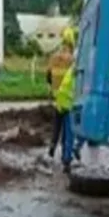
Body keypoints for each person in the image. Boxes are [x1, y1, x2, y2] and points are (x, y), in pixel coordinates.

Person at [46, 26, 75, 159]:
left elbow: (48, 75)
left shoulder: (54, 57)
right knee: (67, 128)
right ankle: (65, 152)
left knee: (56, 124)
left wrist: (51, 88)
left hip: (56, 96)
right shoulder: (72, 60)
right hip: (69, 98)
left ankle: (52, 146)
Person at [54, 62, 76, 174]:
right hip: (70, 105)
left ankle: (64, 156)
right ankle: (67, 159)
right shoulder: (77, 72)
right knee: (70, 134)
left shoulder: (71, 70)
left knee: (65, 133)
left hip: (63, 104)